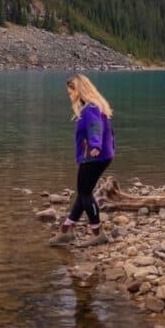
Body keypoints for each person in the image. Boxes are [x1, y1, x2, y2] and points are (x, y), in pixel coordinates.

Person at [48, 74, 115, 246]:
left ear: (79, 90)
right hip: (99, 155)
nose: (69, 95)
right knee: (83, 192)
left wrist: (95, 145)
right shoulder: (93, 106)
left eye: (70, 92)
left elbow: (95, 127)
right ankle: (66, 230)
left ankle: (97, 232)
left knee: (85, 193)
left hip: (93, 156)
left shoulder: (90, 108)